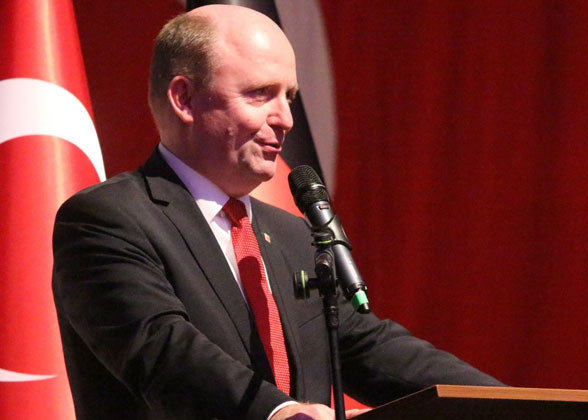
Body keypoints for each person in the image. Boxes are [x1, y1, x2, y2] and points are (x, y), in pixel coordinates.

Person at [52, 5, 501, 420]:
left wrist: (505, 403)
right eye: (261, 94)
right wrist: (281, 413)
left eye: (290, 96)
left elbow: (369, 348)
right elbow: (163, 352)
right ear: (184, 99)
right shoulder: (106, 220)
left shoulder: (294, 236)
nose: (286, 118)